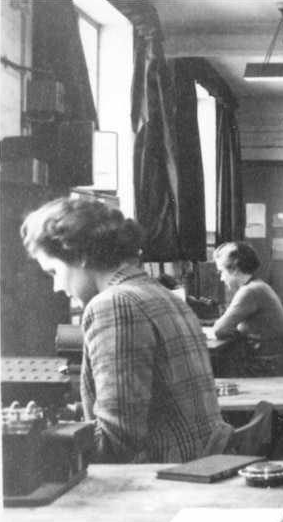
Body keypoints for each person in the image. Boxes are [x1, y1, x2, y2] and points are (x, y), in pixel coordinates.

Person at [20, 197, 232, 464]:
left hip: (162, 481)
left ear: (81, 256)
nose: (57, 288)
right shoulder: (162, 295)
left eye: (53, 272)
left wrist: (36, 444)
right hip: (194, 465)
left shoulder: (114, 304)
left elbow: (117, 444)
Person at [213, 241, 283, 377]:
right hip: (274, 364)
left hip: (268, 368)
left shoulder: (250, 291)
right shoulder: (259, 286)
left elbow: (219, 329)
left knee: (215, 368)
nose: (221, 278)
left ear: (235, 269)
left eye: (222, 271)